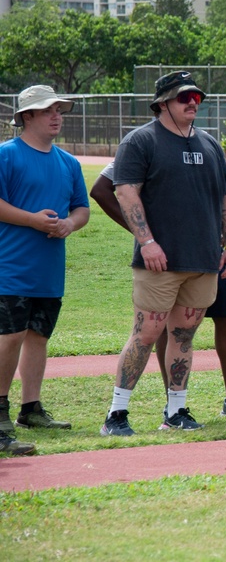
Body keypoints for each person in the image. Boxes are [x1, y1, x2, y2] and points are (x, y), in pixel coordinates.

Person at [100, 70, 226, 436]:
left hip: (203, 260)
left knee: (183, 336)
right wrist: (147, 242)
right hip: (160, 261)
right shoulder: (141, 141)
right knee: (146, 333)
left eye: (196, 98)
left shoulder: (210, 144)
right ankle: (116, 414)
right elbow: (125, 192)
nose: (192, 103)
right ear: (162, 103)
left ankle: (176, 411)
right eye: (183, 98)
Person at [90, 163, 226, 419]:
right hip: (167, 256)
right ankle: (171, 403)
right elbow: (100, 190)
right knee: (163, 325)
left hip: (206, 253)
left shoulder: (203, 143)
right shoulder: (144, 144)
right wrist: (143, 234)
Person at [0, 85, 90, 457]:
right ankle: (0, 411)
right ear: (26, 117)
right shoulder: (7, 155)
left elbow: (81, 208)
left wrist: (70, 224)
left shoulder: (69, 163)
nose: (56, 116)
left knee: (38, 336)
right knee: (9, 337)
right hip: (12, 267)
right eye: (47, 110)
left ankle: (30, 409)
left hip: (49, 270)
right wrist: (34, 222)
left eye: (59, 110)